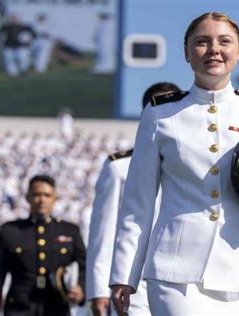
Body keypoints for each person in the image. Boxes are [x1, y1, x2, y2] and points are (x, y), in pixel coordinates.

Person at [110, 12, 239, 316]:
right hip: (175, 275)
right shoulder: (160, 114)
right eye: (202, 42)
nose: (214, 49)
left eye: (224, 41)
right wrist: (123, 275)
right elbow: (138, 204)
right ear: (187, 53)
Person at [86, 82, 180, 316]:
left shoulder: (192, 165)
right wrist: (97, 289)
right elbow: (104, 232)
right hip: (134, 282)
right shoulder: (120, 167)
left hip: (180, 278)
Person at [0, 174, 86, 316]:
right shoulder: (10, 232)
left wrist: (81, 288)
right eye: (37, 195)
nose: (42, 200)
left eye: (47, 195)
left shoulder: (69, 231)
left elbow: (84, 265)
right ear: (28, 197)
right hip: (19, 309)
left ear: (55, 198)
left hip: (57, 309)